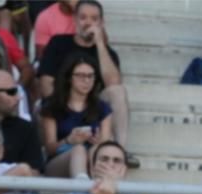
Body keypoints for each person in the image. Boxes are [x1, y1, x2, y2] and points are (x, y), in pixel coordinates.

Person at [39, 0, 135, 166]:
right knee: (40, 106)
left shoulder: (107, 53)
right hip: (62, 105)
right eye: (83, 17)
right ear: (74, 20)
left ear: (101, 23)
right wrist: (64, 106)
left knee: (118, 92)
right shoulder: (58, 43)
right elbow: (45, 81)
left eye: (94, 18)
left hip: (93, 108)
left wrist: (99, 43)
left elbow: (113, 83)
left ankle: (118, 151)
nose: (88, 23)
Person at [39, 55, 112, 177]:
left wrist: (98, 142)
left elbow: (105, 144)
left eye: (90, 76)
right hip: (59, 163)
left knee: (97, 151)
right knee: (78, 149)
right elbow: (49, 148)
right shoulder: (53, 106)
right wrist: (69, 140)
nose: (86, 81)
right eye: (80, 75)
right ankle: (81, 189)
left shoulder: (102, 108)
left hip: (91, 159)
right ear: (69, 78)